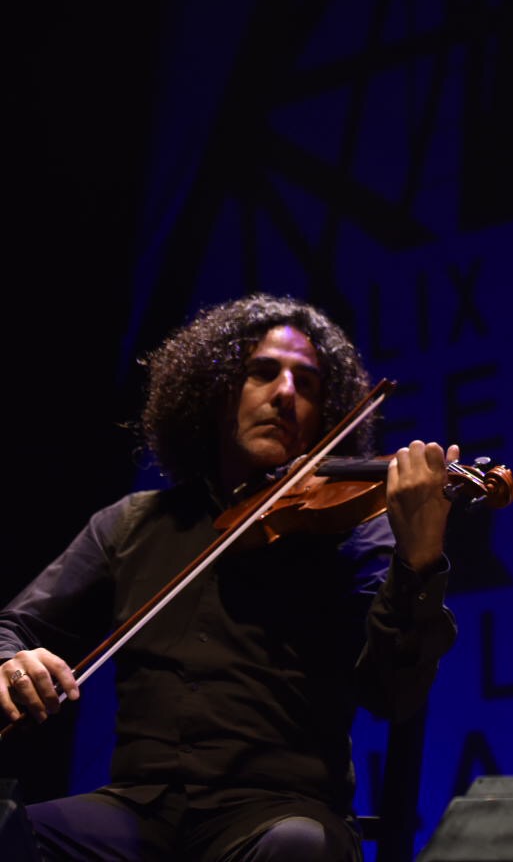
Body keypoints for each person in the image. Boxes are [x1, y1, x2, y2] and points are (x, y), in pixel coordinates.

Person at [1, 294, 459, 861]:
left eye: (307, 384)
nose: (286, 393)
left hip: (277, 812)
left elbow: (394, 694)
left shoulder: (353, 535)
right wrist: (9, 660)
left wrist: (418, 561)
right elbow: (15, 626)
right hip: (136, 810)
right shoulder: (131, 524)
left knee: (297, 849)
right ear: (213, 392)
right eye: (262, 372)